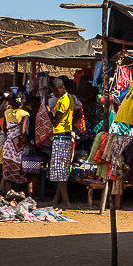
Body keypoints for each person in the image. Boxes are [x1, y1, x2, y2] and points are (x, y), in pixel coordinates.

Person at [48, 77, 74, 207]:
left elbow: (55, 121)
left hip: (61, 137)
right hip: (63, 136)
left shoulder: (64, 101)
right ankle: (56, 200)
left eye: (55, 91)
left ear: (61, 88)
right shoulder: (67, 98)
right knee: (60, 172)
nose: (54, 94)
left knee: (60, 173)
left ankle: (66, 201)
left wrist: (48, 111)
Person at [0, 92, 30, 190]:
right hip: (19, 146)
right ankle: (20, 194)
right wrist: (30, 144)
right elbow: (23, 131)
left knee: (9, 169)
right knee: (20, 170)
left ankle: (9, 193)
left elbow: (4, 129)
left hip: (8, 145)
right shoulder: (24, 114)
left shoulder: (7, 112)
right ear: (23, 101)